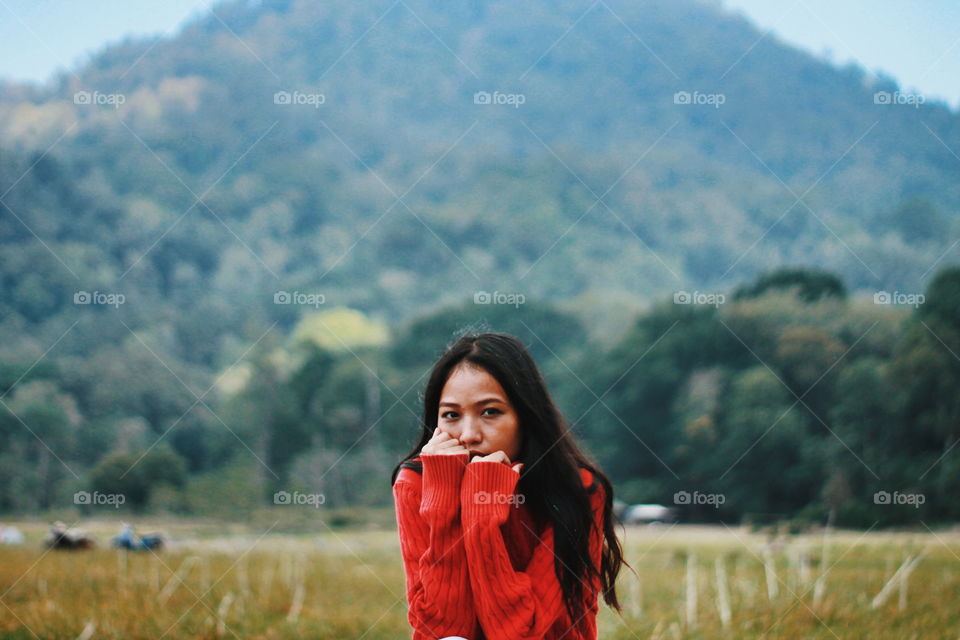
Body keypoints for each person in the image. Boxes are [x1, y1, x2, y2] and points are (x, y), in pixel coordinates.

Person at [390, 332, 627, 640]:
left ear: (525, 416)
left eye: (490, 412)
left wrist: (481, 518)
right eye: (451, 415)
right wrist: (444, 504)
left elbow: (520, 633)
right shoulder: (416, 485)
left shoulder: (577, 489)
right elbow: (443, 632)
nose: (468, 434)